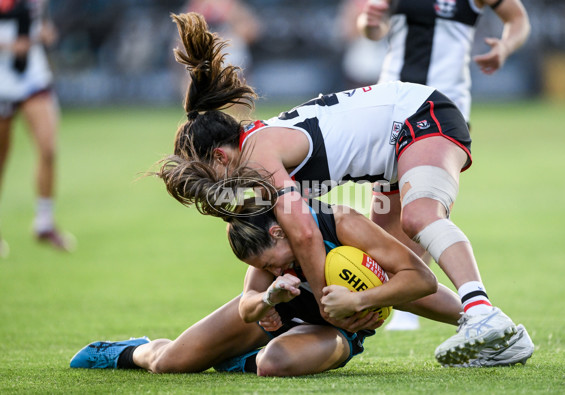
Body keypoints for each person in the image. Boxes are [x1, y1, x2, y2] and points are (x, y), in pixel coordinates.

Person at [156, 12, 533, 366]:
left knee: (421, 215)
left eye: (207, 173)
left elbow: (303, 231)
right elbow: (277, 236)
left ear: (221, 156)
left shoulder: (256, 153)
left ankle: (480, 311)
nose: (214, 186)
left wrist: (325, 304)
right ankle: (504, 335)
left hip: (418, 117)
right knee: (385, 272)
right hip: (389, 160)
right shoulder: (258, 158)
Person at [70, 199, 468, 375]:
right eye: (260, 268)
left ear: (280, 232)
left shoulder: (341, 225)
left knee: (272, 365)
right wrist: (268, 298)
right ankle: (126, 351)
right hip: (279, 318)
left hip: (332, 329)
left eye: (269, 262)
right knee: (170, 363)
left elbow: (421, 281)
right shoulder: (264, 259)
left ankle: (243, 360)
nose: (271, 268)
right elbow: (247, 306)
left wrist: (360, 300)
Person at [356, 0, 531, 331]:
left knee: (422, 209)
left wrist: (505, 46)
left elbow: (518, 19)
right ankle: (399, 296)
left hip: (442, 110)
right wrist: (369, 22)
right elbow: (372, 29)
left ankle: (414, 302)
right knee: (382, 218)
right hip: (390, 107)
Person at [0, 0, 74, 254]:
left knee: (48, 148)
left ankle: (44, 223)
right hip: (1, 81)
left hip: (32, 78)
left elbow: (44, 28)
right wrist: (10, 46)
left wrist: (44, 34)